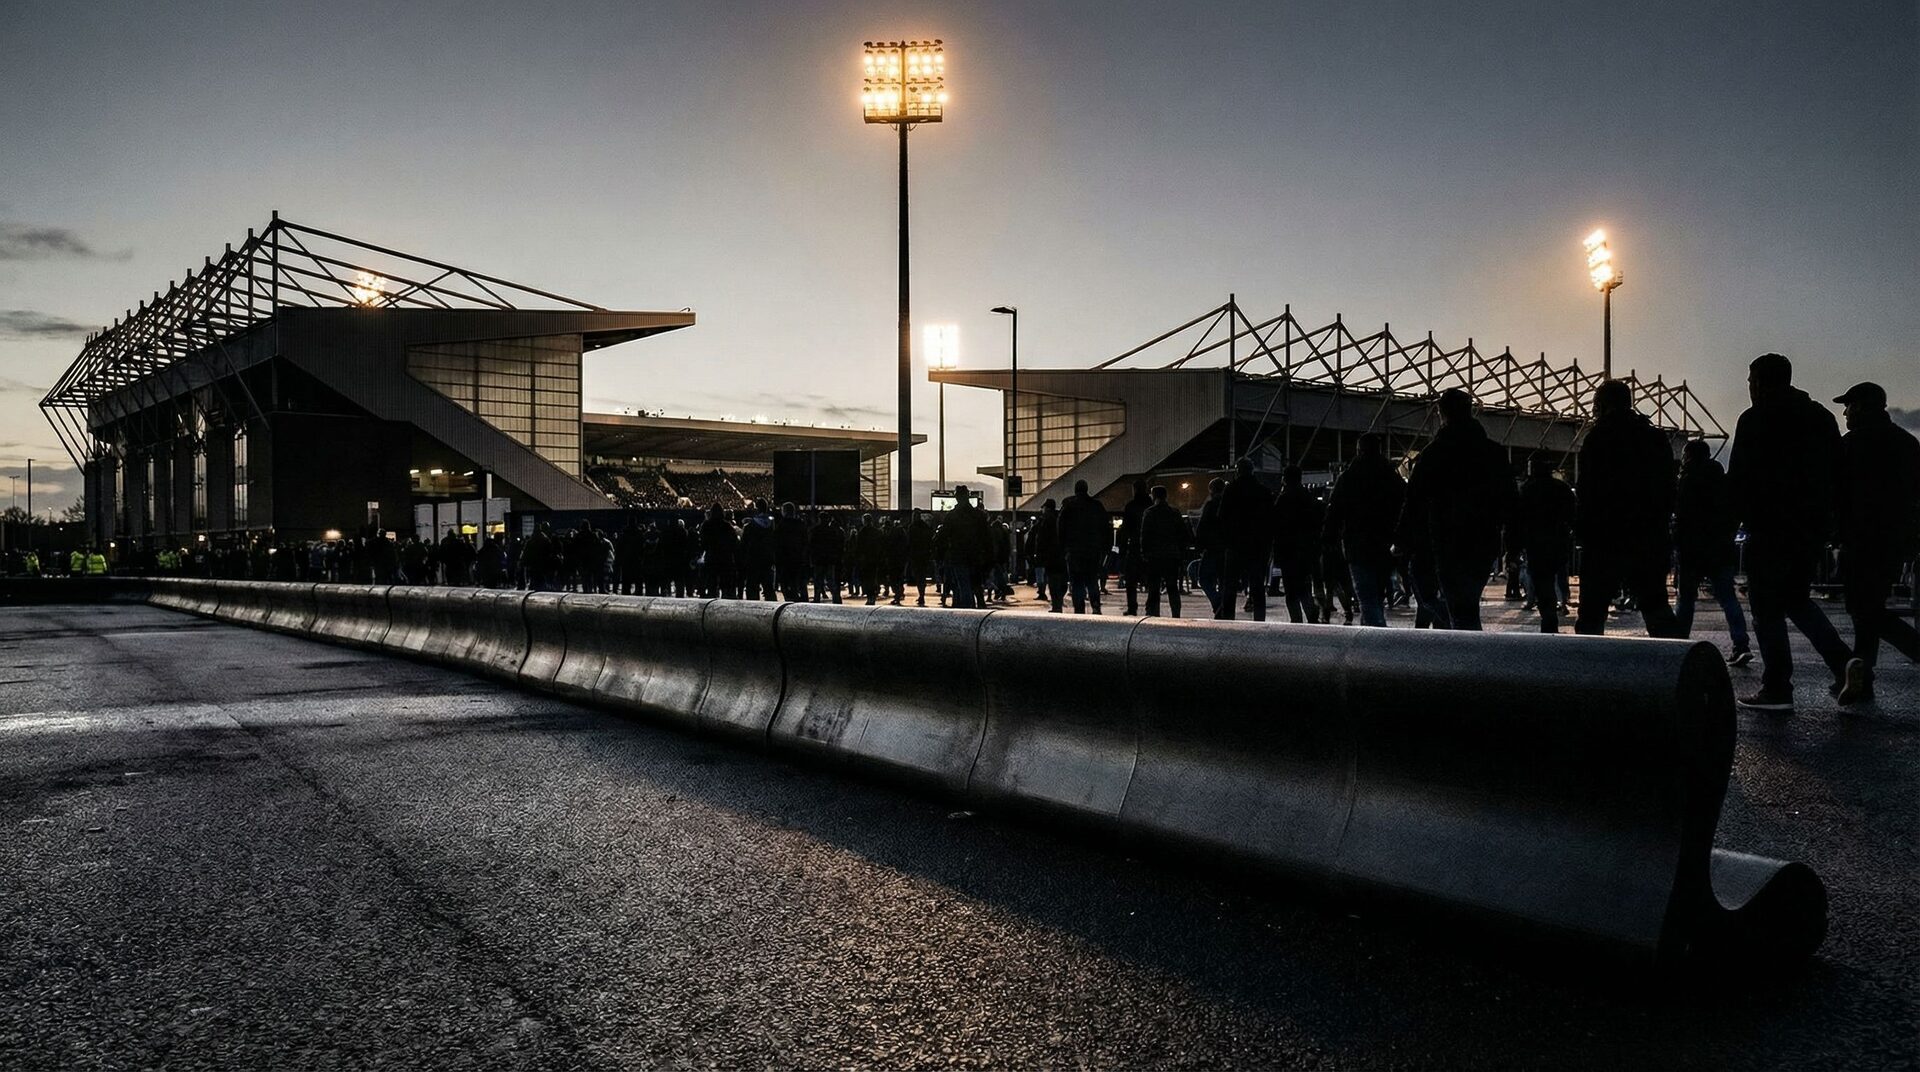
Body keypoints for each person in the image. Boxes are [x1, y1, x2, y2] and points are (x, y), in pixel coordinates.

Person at [1727, 353, 1852, 711]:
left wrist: (1733, 521)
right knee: (1796, 599)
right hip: (1810, 528)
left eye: (1751, 381)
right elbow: (1839, 475)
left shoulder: (1755, 418)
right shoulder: (1821, 418)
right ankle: (1845, 664)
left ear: (1761, 383)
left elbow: (1740, 479)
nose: (1749, 388)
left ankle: (1777, 686)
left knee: (1766, 606)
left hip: (1769, 526)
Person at [1832, 381, 1920, 704]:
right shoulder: (1908, 444)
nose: (1844, 412)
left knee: (1864, 609)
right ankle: (1861, 677)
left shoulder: (1850, 445)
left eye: (1849, 406)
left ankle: (1862, 672)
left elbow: (1837, 495)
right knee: (1869, 607)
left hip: (1860, 539)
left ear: (1862, 407)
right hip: (1895, 541)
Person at [1396, 389, 1514, 630]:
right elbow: (1510, 501)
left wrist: (1402, 539)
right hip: (1483, 539)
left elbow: (1415, 500)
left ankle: (1465, 655)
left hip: (1446, 538)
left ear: (1442, 413)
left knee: (1452, 604)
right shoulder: (1494, 452)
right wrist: (1512, 544)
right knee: (1466, 603)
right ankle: (1458, 643)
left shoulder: (1434, 453)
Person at [1574, 379, 1682, 639]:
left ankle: (1585, 670)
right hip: (1647, 534)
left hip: (1605, 536)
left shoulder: (1598, 438)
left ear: (1601, 404)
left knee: (1592, 611)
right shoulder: (1655, 438)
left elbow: (1588, 492)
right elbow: (1668, 489)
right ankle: (1673, 664)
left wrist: (1583, 531)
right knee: (1656, 607)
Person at [1672, 439, 1752, 662]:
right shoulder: (1722, 481)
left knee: (1686, 599)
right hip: (1720, 548)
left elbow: (1682, 516)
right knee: (1728, 598)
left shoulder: (1687, 481)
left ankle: (1679, 644)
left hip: (1692, 550)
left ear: (1689, 456)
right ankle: (1741, 644)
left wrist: (1678, 541)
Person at [1324, 433, 1405, 627]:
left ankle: (1376, 634)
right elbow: (1405, 505)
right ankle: (1373, 631)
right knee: (1377, 594)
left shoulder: (1350, 476)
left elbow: (1334, 511)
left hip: (1357, 544)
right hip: (1385, 543)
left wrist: (1328, 539)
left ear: (1359, 450)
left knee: (1366, 596)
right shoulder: (1391, 476)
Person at [1508, 456, 1576, 634]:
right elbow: (1574, 516)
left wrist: (1513, 551)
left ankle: (1548, 616)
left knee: (1542, 582)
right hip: (1558, 543)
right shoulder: (1562, 489)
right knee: (1559, 577)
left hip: (1536, 545)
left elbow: (1517, 522)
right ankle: (1556, 607)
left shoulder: (1528, 490)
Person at [1214, 458, 1272, 621]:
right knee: (1257, 585)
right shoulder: (1263, 491)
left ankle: (1228, 618)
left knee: (1230, 586)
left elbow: (1222, 517)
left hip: (1235, 545)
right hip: (1257, 545)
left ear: (1238, 471)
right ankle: (1259, 619)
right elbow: (1269, 520)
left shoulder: (1231, 490)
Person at [1271, 465, 1324, 624]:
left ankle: (1297, 621)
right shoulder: (1308, 497)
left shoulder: (1283, 498)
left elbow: (1276, 526)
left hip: (1288, 550)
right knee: (1304, 588)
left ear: (1285, 479)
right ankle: (1312, 617)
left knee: (1291, 591)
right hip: (1306, 550)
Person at [1057, 480, 1111, 614]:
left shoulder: (1068, 507)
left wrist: (1064, 548)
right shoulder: (1096, 506)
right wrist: (1105, 548)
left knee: (1077, 582)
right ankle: (1095, 604)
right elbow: (1106, 528)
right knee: (1092, 579)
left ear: (1075, 490)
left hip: (1074, 551)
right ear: (1086, 489)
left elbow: (1060, 529)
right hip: (1093, 551)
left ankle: (1079, 608)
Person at [1140, 484, 1190, 617]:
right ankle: (1175, 614)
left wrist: (1144, 552)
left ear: (1153, 496)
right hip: (1172, 555)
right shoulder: (1174, 512)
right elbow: (1183, 534)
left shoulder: (1149, 512)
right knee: (1172, 587)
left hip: (1154, 555)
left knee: (1154, 588)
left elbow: (1145, 535)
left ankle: (1153, 613)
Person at [938, 485, 992, 609]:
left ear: (957, 497)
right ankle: (980, 607)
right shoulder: (979, 516)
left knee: (963, 585)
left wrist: (941, 555)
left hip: (958, 556)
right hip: (976, 556)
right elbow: (987, 538)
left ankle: (968, 611)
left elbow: (943, 537)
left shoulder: (952, 516)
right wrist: (988, 558)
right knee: (976, 584)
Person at [1117, 479, 1151, 615]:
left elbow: (1125, 530)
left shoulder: (1131, 506)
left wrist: (1122, 549)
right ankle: (1152, 607)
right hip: (1150, 547)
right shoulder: (1150, 505)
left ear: (1135, 490)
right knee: (1151, 579)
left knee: (1131, 580)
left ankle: (1132, 607)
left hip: (1135, 546)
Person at [1193, 477, 1227, 612]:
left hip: (1212, 548)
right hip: (1226, 548)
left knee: (1204, 578)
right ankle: (1224, 605)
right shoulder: (1228, 505)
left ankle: (1217, 602)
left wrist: (1199, 546)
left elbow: (1202, 527)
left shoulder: (1210, 505)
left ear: (1211, 490)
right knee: (1223, 579)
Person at [1031, 498, 1066, 612]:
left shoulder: (1046, 520)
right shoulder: (1058, 518)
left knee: (1053, 582)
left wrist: (1039, 555)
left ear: (1047, 508)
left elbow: (1042, 539)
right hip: (1059, 556)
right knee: (1059, 581)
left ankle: (1056, 606)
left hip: (1050, 556)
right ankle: (1058, 604)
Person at [774, 502, 811, 602]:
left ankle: (791, 601)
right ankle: (804, 602)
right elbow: (806, 542)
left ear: (784, 512)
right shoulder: (801, 525)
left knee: (786, 585)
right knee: (801, 584)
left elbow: (778, 544)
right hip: (799, 559)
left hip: (786, 560)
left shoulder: (781, 526)